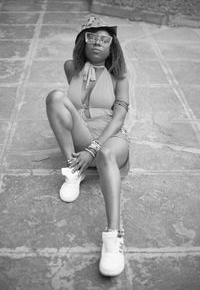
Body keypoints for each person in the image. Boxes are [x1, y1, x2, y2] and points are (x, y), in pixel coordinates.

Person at [46, 16, 129, 277]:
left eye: (104, 40)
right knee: (55, 97)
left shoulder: (119, 75)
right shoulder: (72, 67)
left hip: (110, 139)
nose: (97, 43)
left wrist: (93, 148)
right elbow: (72, 107)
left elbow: (118, 119)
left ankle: (113, 238)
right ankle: (74, 169)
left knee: (104, 155)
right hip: (82, 134)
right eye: (91, 38)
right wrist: (83, 74)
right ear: (83, 41)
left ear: (111, 46)